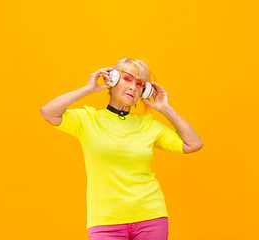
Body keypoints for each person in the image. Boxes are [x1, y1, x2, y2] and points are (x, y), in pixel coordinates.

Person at [40, 57, 203, 240]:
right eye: (127, 79)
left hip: (150, 216)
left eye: (139, 83)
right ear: (111, 80)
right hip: (105, 221)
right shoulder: (89, 119)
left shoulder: (147, 125)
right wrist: (87, 89)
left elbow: (193, 144)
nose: (133, 87)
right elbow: (48, 112)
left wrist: (166, 109)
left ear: (144, 91)